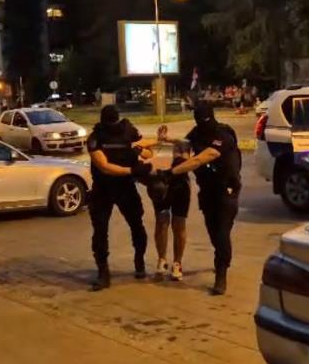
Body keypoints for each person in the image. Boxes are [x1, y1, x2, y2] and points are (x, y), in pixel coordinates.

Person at [159, 101, 242, 295]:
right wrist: (167, 139)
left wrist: (171, 172)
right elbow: (186, 143)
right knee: (213, 232)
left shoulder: (223, 135)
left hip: (226, 190)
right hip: (207, 191)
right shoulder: (197, 133)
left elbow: (201, 158)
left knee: (221, 232)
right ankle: (223, 257)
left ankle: (221, 275)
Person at [87, 105, 156, 292]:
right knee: (100, 230)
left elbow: (149, 152)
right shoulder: (95, 137)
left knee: (136, 224)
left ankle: (139, 261)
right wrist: (132, 170)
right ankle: (103, 272)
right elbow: (104, 166)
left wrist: (138, 151)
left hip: (125, 187)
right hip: (103, 187)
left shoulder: (129, 131)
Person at [148, 138, 191, 282]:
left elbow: (185, 143)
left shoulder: (183, 147)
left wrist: (168, 139)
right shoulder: (150, 146)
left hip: (181, 187)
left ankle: (177, 263)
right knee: (161, 223)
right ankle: (162, 260)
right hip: (160, 185)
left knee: (179, 225)